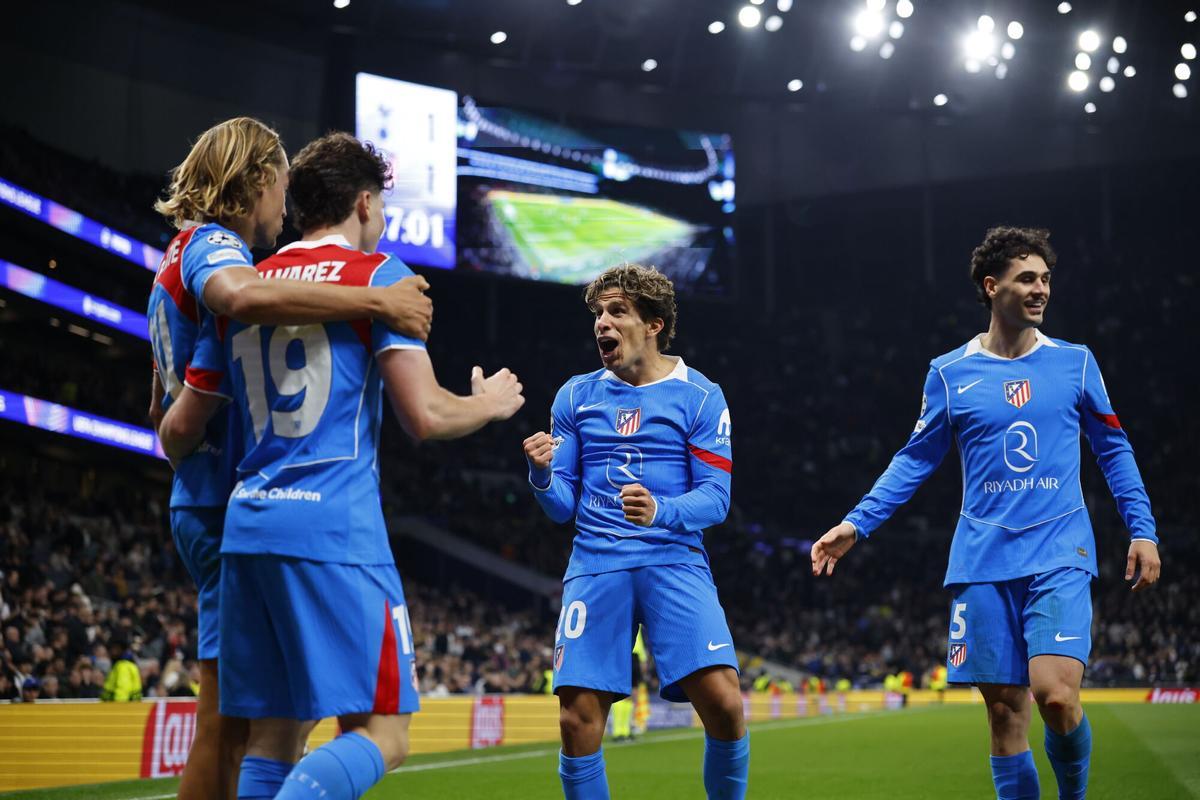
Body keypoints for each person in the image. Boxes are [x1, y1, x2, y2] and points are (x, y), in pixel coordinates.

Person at [161, 131, 524, 800]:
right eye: (381, 207)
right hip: (334, 530)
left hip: (246, 530)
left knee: (274, 734)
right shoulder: (377, 275)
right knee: (384, 732)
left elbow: (185, 418)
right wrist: (489, 404)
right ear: (363, 202)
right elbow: (427, 417)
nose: (381, 221)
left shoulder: (251, 280)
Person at [810, 226, 1162, 800]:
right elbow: (914, 459)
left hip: (1058, 549)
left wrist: (1141, 529)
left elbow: (1114, 448)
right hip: (982, 559)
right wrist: (857, 522)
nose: (1041, 289)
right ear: (990, 285)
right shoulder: (949, 373)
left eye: (1046, 279)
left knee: (1055, 694)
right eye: (1027, 278)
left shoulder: (1075, 363)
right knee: (1004, 715)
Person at [523, 264, 748, 800]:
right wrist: (539, 474)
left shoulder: (700, 396)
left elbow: (716, 499)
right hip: (596, 563)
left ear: (654, 323)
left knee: (724, 702)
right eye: (598, 312)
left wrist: (661, 510)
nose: (602, 321)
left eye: (617, 310)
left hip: (674, 560)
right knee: (577, 721)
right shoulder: (575, 397)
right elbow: (561, 506)